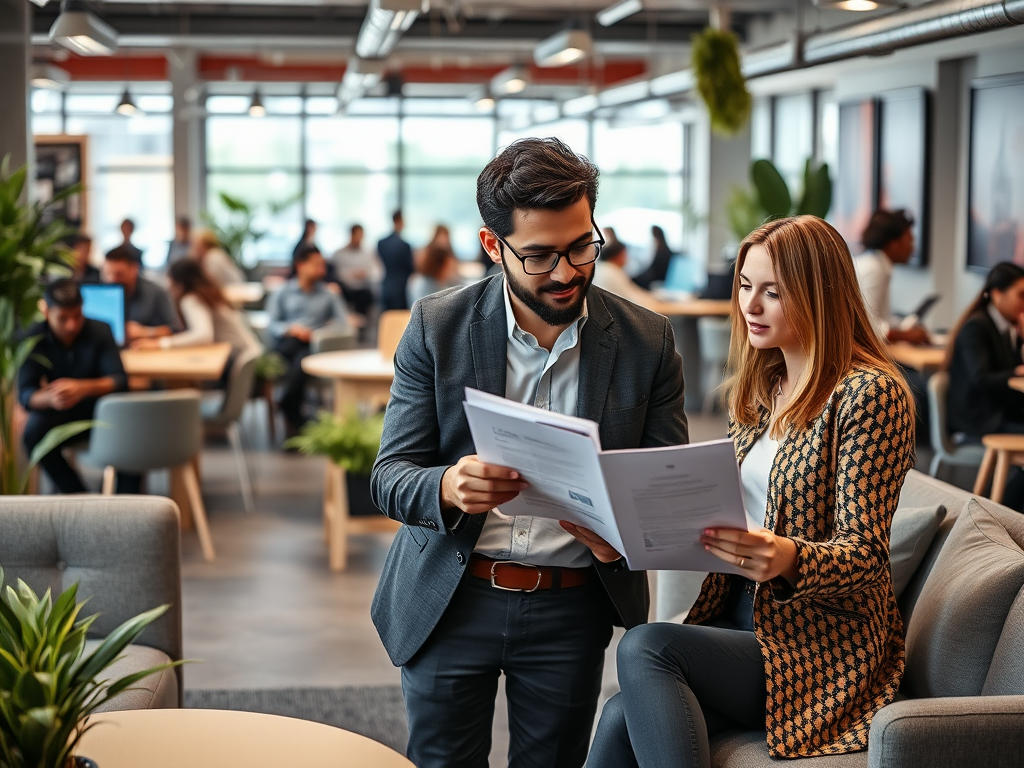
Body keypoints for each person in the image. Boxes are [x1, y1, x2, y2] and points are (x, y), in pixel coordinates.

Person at [370, 137, 688, 768]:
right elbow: (388, 477)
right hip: (452, 596)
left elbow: (665, 494)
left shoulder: (645, 341)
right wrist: (447, 486)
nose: (567, 272)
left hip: (572, 602)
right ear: (495, 246)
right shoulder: (439, 326)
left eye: (581, 247)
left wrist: (623, 537)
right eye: (541, 256)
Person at [586, 215, 916, 768]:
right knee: (620, 717)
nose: (750, 306)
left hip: (820, 642)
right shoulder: (765, 387)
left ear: (818, 294)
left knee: (647, 646)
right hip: (741, 620)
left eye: (772, 292)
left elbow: (865, 558)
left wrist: (786, 556)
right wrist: (636, 528)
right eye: (745, 286)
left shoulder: (869, 394)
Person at [18, 278, 135, 494]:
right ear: (46, 312)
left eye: (77, 316)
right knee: (32, 434)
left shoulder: (100, 329)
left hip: (100, 412)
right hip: (59, 411)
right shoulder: (33, 337)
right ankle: (80, 499)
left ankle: (126, 506)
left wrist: (83, 388)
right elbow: (26, 395)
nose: (72, 325)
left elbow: (119, 380)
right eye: (63, 318)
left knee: (131, 424)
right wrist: (50, 398)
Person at [131, 259, 262, 385]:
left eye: (170, 282)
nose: (169, 288)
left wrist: (161, 344)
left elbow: (204, 336)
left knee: (171, 383)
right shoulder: (207, 294)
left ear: (179, 284)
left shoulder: (191, 299)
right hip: (249, 359)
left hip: (237, 364)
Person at [266, 244, 350, 436]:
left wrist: (318, 333)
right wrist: (290, 329)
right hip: (287, 345)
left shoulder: (329, 294)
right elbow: (271, 324)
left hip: (314, 346)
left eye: (323, 265)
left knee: (304, 357)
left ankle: (289, 405)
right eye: (316, 264)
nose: (322, 269)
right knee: (297, 353)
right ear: (300, 265)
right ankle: (293, 411)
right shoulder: (282, 292)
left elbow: (344, 324)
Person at [947, 261, 1024, 438]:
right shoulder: (977, 326)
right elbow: (980, 379)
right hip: (981, 418)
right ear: (997, 294)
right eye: (1021, 295)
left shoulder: (1006, 327)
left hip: (1001, 411)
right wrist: (1017, 372)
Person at [854, 208, 929, 344]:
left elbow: (879, 317)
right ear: (894, 244)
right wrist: (906, 336)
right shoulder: (874, 269)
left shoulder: (875, 264)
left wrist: (903, 327)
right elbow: (869, 327)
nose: (913, 248)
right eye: (909, 240)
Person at [102, 245, 181, 342]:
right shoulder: (99, 293)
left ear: (134, 269)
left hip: (144, 352)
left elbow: (175, 330)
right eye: (107, 274)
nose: (112, 280)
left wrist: (145, 332)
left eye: (119, 274)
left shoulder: (155, 292)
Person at [332, 223, 383, 321]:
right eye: (356, 235)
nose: (358, 238)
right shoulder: (339, 254)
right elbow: (336, 274)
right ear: (351, 235)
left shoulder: (368, 253)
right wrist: (351, 274)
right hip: (346, 291)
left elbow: (377, 272)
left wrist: (365, 274)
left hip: (364, 290)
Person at [593, 240, 655, 309]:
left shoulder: (603, 268)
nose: (627, 258)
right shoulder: (613, 272)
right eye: (625, 254)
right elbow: (634, 299)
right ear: (619, 255)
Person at [377, 210, 414, 311]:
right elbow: (410, 268)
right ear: (400, 221)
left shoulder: (381, 243)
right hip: (401, 289)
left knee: (386, 321)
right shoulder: (405, 246)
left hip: (386, 286)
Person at [632, 225, 673, 290]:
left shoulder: (663, 253)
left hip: (657, 283)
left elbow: (653, 272)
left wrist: (634, 279)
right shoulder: (661, 251)